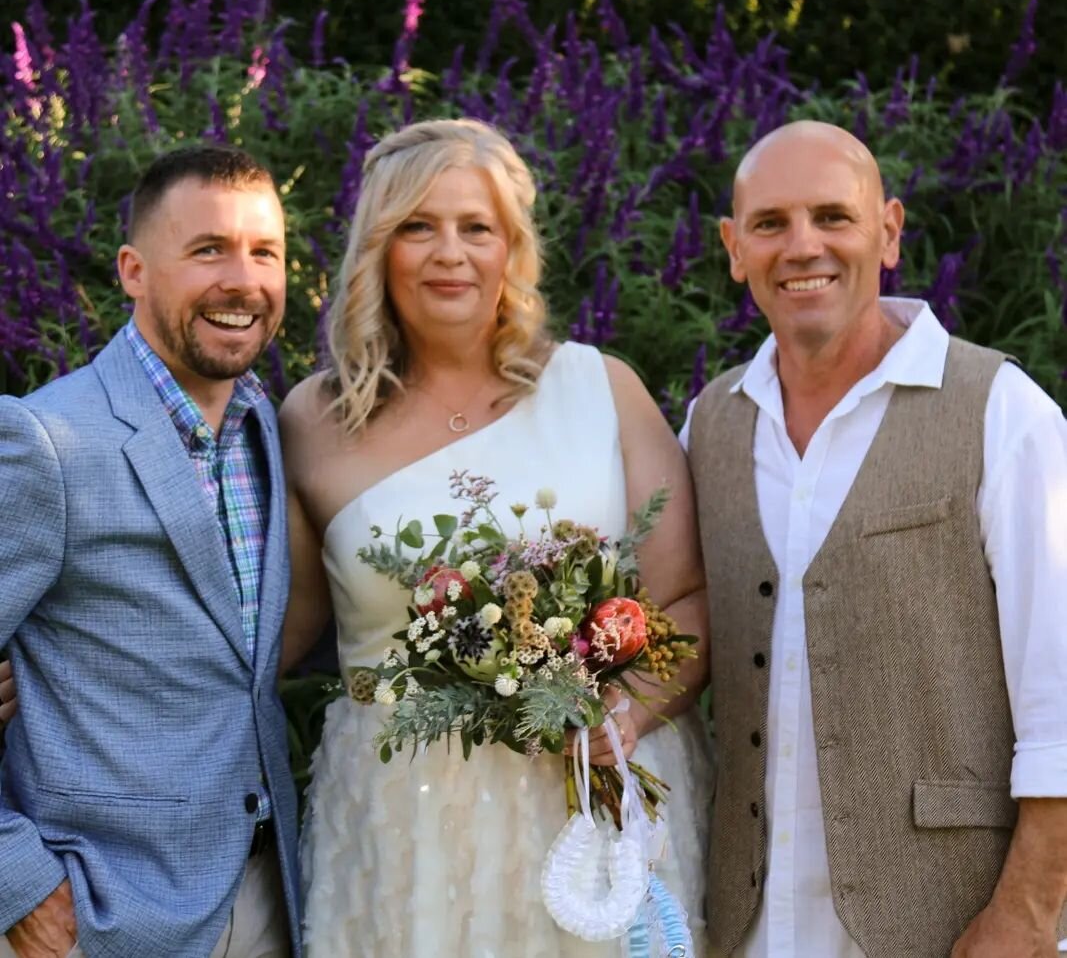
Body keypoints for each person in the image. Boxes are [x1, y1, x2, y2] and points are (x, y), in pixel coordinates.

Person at [278, 118, 713, 956]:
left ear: (511, 248)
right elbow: (268, 638)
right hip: (403, 821)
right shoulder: (312, 420)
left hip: (589, 803)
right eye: (417, 226)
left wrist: (624, 716)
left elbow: (685, 597)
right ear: (378, 249)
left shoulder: (600, 388)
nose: (450, 252)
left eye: (476, 227)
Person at [682, 120, 1067, 957]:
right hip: (747, 924)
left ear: (888, 231)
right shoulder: (707, 425)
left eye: (833, 216)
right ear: (732, 248)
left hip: (951, 921)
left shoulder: (1002, 411)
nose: (802, 245)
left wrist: (1029, 912)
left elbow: (1062, 696)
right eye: (770, 223)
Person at [0, 146, 302, 958]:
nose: (243, 280)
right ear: (133, 270)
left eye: (264, 251)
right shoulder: (46, 439)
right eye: (208, 249)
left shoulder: (266, 427)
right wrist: (17, 882)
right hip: (101, 912)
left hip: (271, 895)